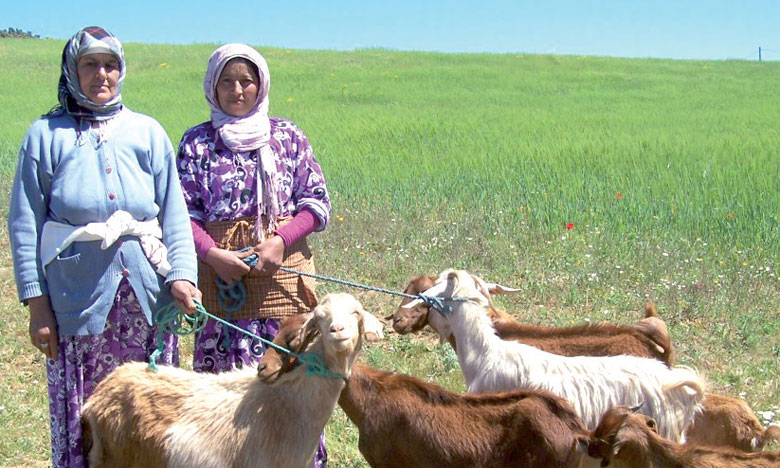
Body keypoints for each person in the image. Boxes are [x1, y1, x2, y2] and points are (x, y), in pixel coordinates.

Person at [7, 26, 201, 468]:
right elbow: (24, 223)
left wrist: (182, 276)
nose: (102, 74)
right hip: (76, 299)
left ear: (122, 71)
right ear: (72, 70)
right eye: (90, 64)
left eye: (110, 65)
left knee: (148, 408)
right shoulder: (45, 135)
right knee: (85, 413)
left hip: (146, 300)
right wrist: (37, 307)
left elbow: (174, 213)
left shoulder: (147, 132)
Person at [176, 43, 331, 466]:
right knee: (221, 407)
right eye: (227, 81)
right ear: (212, 86)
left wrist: (281, 240)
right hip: (222, 286)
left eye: (246, 80)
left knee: (292, 393)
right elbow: (179, 214)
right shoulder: (196, 144)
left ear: (261, 84)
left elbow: (317, 203)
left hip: (282, 285)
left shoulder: (288, 137)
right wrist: (212, 254)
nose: (237, 89)